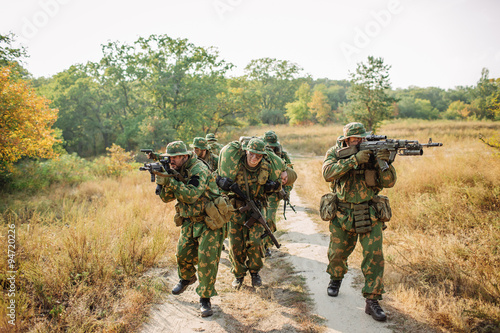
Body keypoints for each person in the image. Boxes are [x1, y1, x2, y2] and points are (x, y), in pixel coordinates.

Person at [322, 122, 397, 322]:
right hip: (343, 213)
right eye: (355, 139)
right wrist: (353, 160)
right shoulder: (336, 152)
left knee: (374, 255)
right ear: (346, 140)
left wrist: (384, 162)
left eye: (362, 138)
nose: (359, 141)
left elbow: (389, 182)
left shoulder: (374, 153)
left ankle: (372, 300)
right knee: (337, 253)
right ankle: (336, 278)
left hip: (369, 212)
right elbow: (327, 173)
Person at [153, 141, 226, 317]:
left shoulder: (197, 169)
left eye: (174, 158)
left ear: (184, 156)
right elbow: (166, 198)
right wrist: (163, 180)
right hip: (190, 220)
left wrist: (171, 181)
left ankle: (205, 299)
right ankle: (187, 278)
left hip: (209, 220)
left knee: (206, 260)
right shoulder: (177, 169)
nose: (171, 161)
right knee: (182, 254)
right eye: (169, 158)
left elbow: (191, 195)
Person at [217, 138, 286, 289]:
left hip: (257, 208)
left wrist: (273, 186)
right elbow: (218, 177)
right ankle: (238, 275)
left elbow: (279, 183)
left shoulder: (266, 168)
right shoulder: (235, 165)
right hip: (236, 209)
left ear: (262, 156)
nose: (254, 158)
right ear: (246, 152)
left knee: (255, 242)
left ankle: (255, 272)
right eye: (251, 154)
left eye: (258, 156)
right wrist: (220, 182)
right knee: (236, 245)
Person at [262, 130, 294, 257]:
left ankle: (266, 245)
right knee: (258, 219)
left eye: (272, 145)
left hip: (274, 192)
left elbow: (290, 174)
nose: (270, 148)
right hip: (259, 192)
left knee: (269, 219)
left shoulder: (282, 155)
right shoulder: (259, 153)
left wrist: (287, 191)